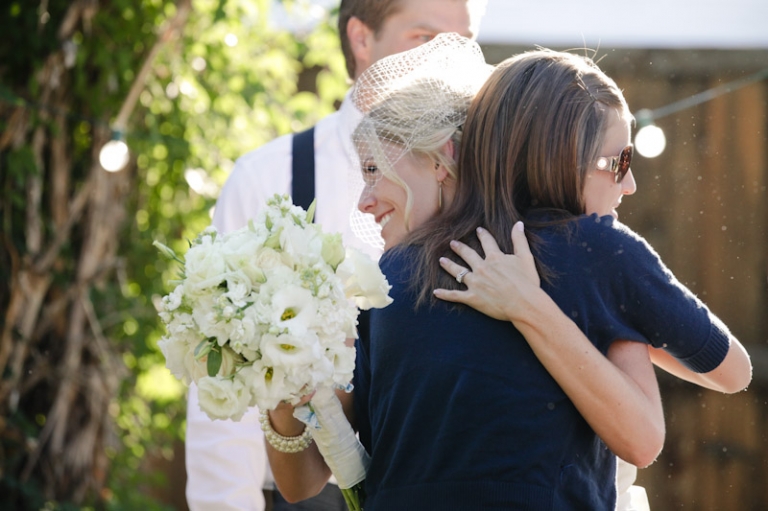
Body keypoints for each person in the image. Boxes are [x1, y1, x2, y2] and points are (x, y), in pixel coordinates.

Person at [265, 35, 751, 510]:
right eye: (619, 162)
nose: (630, 183)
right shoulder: (595, 251)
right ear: (562, 155)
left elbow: (305, 479)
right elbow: (729, 374)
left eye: (374, 170)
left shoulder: (390, 275)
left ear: (443, 160)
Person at [184, 2, 487, 510]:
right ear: (361, 38)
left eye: (465, 42)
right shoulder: (269, 176)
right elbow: (221, 378)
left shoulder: (493, 184)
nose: (448, 60)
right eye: (425, 39)